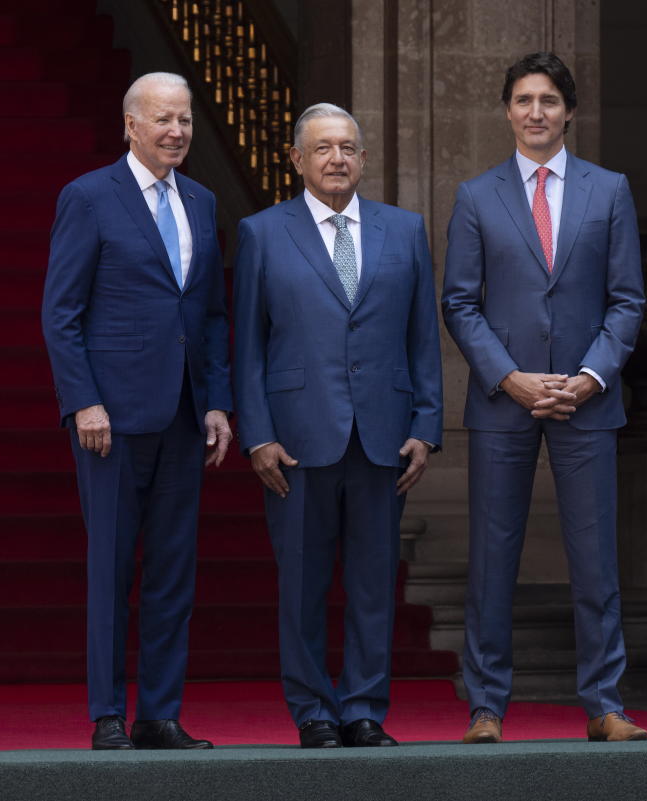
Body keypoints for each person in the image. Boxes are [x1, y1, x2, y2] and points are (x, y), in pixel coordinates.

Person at [441, 52, 647, 743]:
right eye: (525, 99)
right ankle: (486, 706)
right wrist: (512, 377)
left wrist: (589, 377)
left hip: (587, 398)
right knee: (492, 557)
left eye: (550, 100)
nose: (536, 112)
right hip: (505, 400)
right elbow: (460, 304)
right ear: (506, 110)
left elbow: (627, 300)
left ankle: (604, 703)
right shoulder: (476, 196)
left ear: (569, 111)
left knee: (595, 556)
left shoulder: (609, 190)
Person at [233, 103, 443, 748]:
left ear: (364, 157)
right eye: (322, 149)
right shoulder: (263, 232)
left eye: (348, 148)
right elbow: (248, 345)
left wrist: (427, 423)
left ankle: (362, 708)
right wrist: (258, 434)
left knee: (375, 583)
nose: (337, 159)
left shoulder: (404, 230)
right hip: (296, 437)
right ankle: (313, 712)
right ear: (296, 160)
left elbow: (421, 338)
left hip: (383, 433)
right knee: (301, 583)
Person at [41, 72, 232, 750]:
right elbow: (60, 312)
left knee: (174, 570)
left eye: (183, 118)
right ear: (130, 123)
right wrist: (83, 400)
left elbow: (209, 315)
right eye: (162, 119)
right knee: (112, 567)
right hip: (110, 419)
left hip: (183, 414)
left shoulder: (203, 202)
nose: (177, 130)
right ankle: (107, 714)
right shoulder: (90, 197)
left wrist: (216, 403)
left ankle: (159, 712)